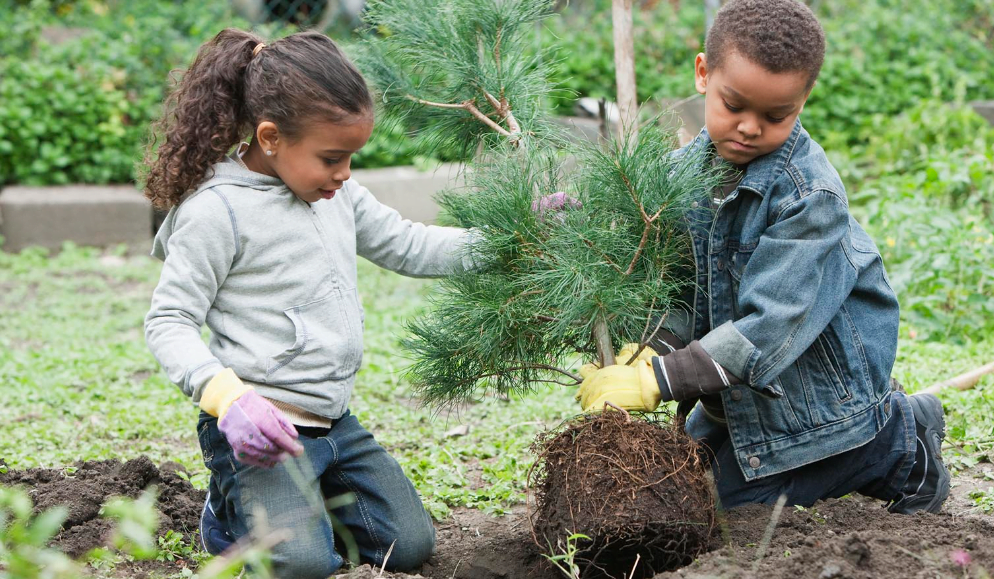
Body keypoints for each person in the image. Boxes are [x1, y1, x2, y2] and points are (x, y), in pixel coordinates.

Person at [576, 0, 949, 515]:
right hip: (738, 395)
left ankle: (897, 445)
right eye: (735, 107)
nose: (750, 128)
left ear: (804, 97)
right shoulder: (679, 175)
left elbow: (772, 326)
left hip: (808, 395)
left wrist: (659, 380)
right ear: (704, 74)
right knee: (682, 488)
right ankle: (868, 433)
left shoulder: (808, 197)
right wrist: (652, 346)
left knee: (721, 512)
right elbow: (682, 286)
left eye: (776, 116)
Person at [142, 29, 480, 578]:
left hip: (332, 422)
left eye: (350, 158)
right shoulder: (216, 212)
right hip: (261, 430)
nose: (344, 173)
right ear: (271, 136)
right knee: (301, 567)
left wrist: (512, 237)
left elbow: (411, 245)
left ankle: (302, 504)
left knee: (409, 546)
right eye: (331, 157)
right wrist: (228, 398)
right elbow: (169, 320)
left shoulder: (337, 194)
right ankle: (229, 518)